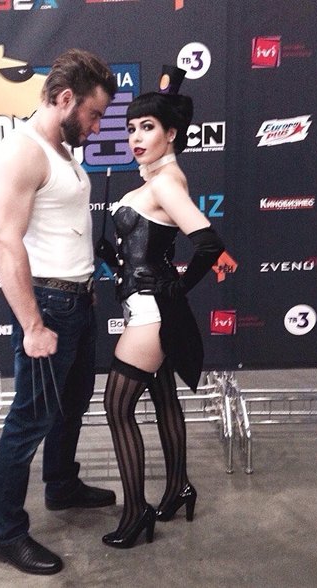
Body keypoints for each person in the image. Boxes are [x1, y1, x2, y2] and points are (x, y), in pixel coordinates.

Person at [0, 48, 118, 575]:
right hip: (48, 306)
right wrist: (32, 325)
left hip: (77, 299)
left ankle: (61, 485)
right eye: (93, 113)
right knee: (29, 420)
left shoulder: (62, 149)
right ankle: (5, 534)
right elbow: (4, 241)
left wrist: (86, 287)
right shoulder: (23, 151)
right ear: (65, 99)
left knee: (71, 406)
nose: (97, 125)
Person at [96, 66, 224, 549]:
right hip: (144, 305)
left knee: (116, 407)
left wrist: (176, 288)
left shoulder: (167, 182)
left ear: (171, 133)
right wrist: (116, 259)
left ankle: (136, 513)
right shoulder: (156, 181)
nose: (135, 137)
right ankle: (178, 487)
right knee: (164, 397)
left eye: (147, 127)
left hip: (151, 313)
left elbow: (209, 244)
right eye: (131, 128)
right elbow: (146, 250)